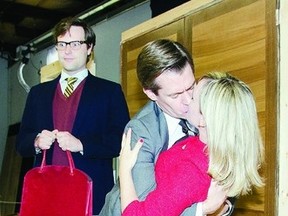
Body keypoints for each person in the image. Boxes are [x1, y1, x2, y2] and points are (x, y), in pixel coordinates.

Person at [100, 39, 233, 216]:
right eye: (175, 95)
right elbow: (146, 209)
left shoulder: (202, 112)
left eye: (191, 87)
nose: (188, 100)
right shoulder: (140, 131)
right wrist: (204, 209)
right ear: (150, 93)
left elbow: (227, 173)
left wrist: (224, 207)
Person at [16, 17, 130, 215]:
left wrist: (82, 145)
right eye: (62, 44)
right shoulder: (37, 94)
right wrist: (36, 141)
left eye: (75, 44)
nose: (67, 50)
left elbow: (121, 141)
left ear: (89, 48)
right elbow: (21, 143)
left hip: (91, 196)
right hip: (46, 197)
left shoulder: (109, 92)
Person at [119, 72, 265, 215]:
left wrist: (124, 168)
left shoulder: (191, 170)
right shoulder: (215, 150)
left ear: (204, 120)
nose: (187, 99)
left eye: (193, 96)